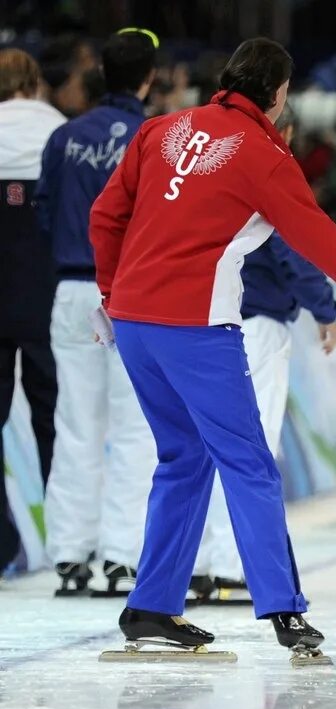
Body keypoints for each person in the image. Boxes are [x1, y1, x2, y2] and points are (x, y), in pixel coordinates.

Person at [88, 37, 336, 661]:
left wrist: (111, 293)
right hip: (195, 327)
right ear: (280, 94)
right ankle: (285, 611)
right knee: (249, 464)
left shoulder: (162, 127)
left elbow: (105, 217)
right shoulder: (265, 155)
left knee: (185, 459)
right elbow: (333, 254)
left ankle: (152, 607)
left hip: (133, 323)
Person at [192, 102, 336, 604]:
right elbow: (295, 248)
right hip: (254, 323)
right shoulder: (273, 172)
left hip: (196, 324)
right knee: (251, 447)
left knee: (203, 446)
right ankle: (232, 566)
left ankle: (203, 563)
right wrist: (324, 308)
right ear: (288, 129)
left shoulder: (208, 161)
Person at [36, 29, 158, 597]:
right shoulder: (156, 138)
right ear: (149, 78)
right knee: (134, 428)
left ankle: (69, 555)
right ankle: (121, 558)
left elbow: (43, 213)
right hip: (130, 296)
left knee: (74, 422)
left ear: (98, 75)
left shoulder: (63, 137)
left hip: (68, 291)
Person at [0, 49, 66, 575]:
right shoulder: (61, 134)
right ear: (36, 82)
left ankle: (1, 544)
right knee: (56, 421)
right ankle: (67, 545)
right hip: (47, 296)